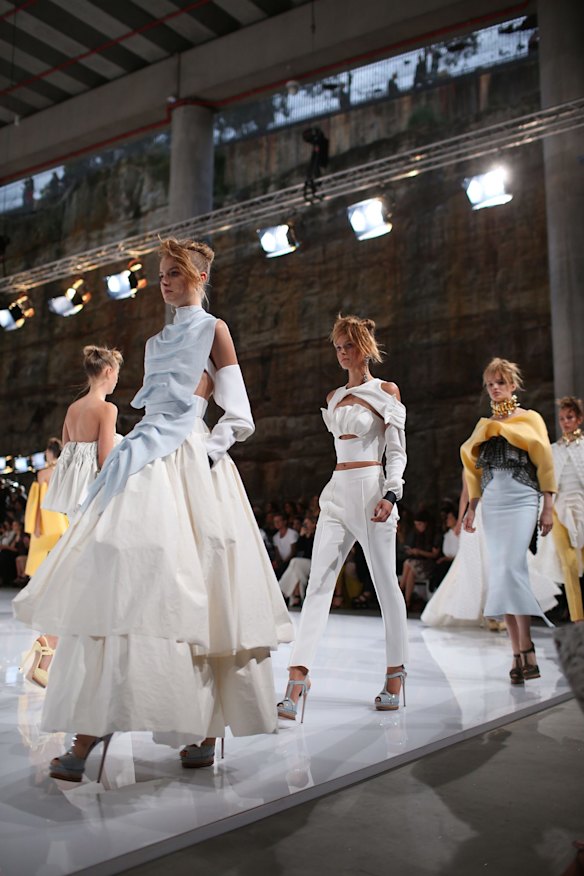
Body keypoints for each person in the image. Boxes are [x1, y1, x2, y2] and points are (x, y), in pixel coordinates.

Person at [14, 237, 292, 781]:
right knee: (116, 565)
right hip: (144, 454)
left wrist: (203, 452)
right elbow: (156, 407)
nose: (163, 281)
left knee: (207, 584)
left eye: (172, 273)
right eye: (161, 273)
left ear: (198, 277)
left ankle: (204, 731)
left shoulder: (215, 331)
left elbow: (237, 414)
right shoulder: (154, 341)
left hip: (192, 459)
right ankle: (90, 728)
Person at [277, 314, 408, 722]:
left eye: (348, 345)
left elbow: (397, 450)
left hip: (372, 490)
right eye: (337, 346)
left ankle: (395, 673)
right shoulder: (333, 396)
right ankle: (297, 679)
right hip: (335, 492)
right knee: (317, 585)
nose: (342, 352)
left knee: (386, 584)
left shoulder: (385, 390)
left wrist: (391, 492)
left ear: (364, 347)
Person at [22, 345, 124, 689]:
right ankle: (56, 646)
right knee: (95, 577)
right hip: (94, 498)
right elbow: (106, 458)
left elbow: (66, 455)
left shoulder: (73, 409)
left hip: (73, 502)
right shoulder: (106, 409)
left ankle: (51, 647)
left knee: (82, 575)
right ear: (108, 372)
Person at [461, 358, 556, 684]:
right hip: (494, 502)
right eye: (490, 384)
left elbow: (545, 463)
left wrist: (548, 505)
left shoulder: (531, 419)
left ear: (513, 385)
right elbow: (472, 470)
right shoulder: (483, 424)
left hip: (523, 498)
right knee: (502, 571)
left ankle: (525, 649)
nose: (495, 388)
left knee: (513, 566)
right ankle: (519, 654)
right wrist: (472, 508)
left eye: (500, 382)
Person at [536, 397, 584, 623]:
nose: (565, 422)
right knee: (569, 563)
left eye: (570, 417)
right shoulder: (553, 450)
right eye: (562, 418)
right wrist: (546, 511)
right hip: (559, 509)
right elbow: (548, 483)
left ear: (579, 419)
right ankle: (578, 619)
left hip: (582, 507)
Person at [399, 509, 441, 609]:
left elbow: (434, 555)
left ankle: (400, 590)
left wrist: (419, 552)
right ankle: (406, 601)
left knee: (408, 564)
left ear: (426, 524)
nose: (417, 527)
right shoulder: (416, 534)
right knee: (410, 570)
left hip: (429, 564)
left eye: (419, 524)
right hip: (417, 563)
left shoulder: (435, 535)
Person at [278, 516, 316, 606]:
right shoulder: (304, 536)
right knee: (296, 570)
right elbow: (299, 549)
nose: (305, 526)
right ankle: (297, 595)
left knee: (295, 562)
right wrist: (302, 536)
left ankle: (280, 589)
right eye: (304, 524)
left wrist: (309, 537)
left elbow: (312, 553)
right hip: (304, 564)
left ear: (313, 524)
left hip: (314, 564)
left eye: (307, 524)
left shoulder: (317, 535)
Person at [272, 511, 299, 577]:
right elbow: (277, 553)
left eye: (279, 521)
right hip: (282, 564)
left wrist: (285, 562)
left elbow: (293, 552)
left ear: (284, 521)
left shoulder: (292, 533)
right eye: (275, 522)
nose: (277, 523)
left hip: (291, 562)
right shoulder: (275, 537)